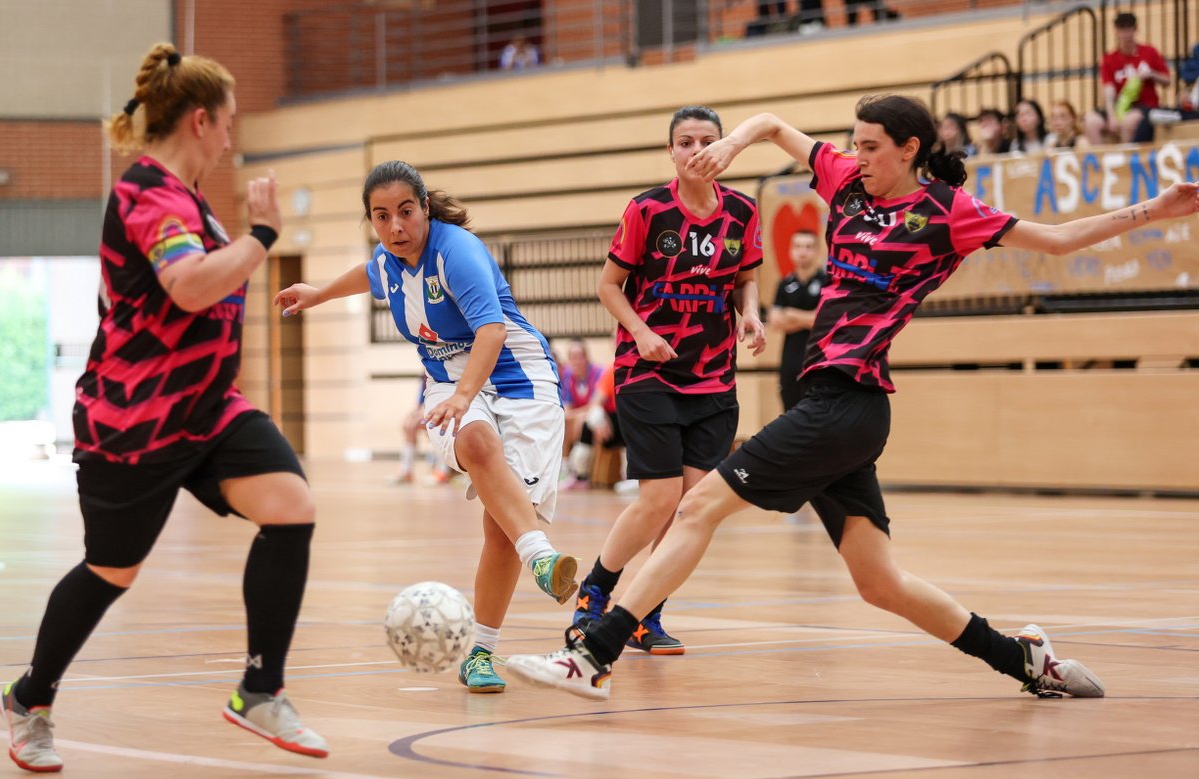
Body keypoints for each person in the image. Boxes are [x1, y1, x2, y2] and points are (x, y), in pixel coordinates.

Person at [506, 94, 1199, 701]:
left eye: (871, 146)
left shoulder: (946, 212)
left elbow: (1056, 239)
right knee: (880, 583)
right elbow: (775, 124)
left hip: (847, 404)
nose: (855, 155)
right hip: (839, 409)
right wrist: (735, 140)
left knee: (695, 506)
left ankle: (591, 654)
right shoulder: (848, 184)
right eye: (854, 143)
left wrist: (1155, 210)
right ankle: (1024, 660)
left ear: (909, 149)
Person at [1, 43, 328, 773]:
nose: (233, 137)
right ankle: (30, 698)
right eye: (230, 123)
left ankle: (259, 689)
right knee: (110, 572)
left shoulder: (191, 203)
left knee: (291, 506)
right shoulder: (147, 192)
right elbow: (188, 287)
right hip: (135, 420)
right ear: (202, 122)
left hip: (208, 409)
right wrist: (262, 237)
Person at [273, 160, 578, 694]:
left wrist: (467, 393)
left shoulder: (455, 252)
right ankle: (544, 560)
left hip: (520, 376)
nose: (395, 226)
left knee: (499, 531)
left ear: (425, 209)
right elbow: (370, 274)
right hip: (449, 384)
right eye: (381, 216)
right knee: (476, 441)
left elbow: (491, 331)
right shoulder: (387, 260)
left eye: (405, 212)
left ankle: (479, 651)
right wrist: (319, 292)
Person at [570, 105, 766, 657]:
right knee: (658, 498)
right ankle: (596, 593)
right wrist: (641, 333)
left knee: (690, 509)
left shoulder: (744, 213)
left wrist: (750, 313)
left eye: (707, 141)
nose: (696, 150)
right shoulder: (647, 211)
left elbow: (744, 280)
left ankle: (644, 614)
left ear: (724, 148)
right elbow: (609, 287)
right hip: (647, 371)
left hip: (713, 380)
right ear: (671, 151)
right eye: (685, 142)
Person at [1083, 12, 1170, 144]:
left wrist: (1151, 74)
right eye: (1122, 29)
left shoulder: (1149, 52)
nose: (1126, 34)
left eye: (1129, 29)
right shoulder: (1109, 59)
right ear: (1116, 31)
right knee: (1090, 121)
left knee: (1128, 121)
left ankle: (1125, 161)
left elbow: (1167, 80)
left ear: (1135, 29)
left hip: (1145, 106)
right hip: (1120, 106)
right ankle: (1099, 163)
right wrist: (1111, 115)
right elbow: (1108, 89)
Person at [770, 229, 829, 411]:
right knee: (790, 416)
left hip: (820, 363)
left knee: (821, 420)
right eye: (798, 246)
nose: (802, 251)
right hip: (790, 363)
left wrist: (790, 313)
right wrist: (808, 317)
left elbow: (823, 320)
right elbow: (775, 321)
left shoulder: (828, 281)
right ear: (791, 250)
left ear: (818, 251)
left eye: (808, 247)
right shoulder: (784, 284)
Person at [563, 362, 623, 488]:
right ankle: (579, 475)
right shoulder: (612, 371)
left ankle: (631, 477)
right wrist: (599, 422)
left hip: (630, 421)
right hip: (612, 424)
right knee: (589, 420)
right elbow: (595, 403)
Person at [559, 337, 604, 489]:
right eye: (572, 357)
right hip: (579, 415)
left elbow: (595, 404)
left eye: (579, 356)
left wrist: (576, 414)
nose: (576, 361)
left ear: (586, 357)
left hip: (599, 414)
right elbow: (567, 405)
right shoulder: (568, 376)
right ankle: (565, 468)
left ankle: (578, 471)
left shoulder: (599, 372)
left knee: (579, 420)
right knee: (562, 420)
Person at [392, 375, 451, 485]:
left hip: (448, 406)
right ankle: (406, 470)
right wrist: (417, 411)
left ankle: (442, 471)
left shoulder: (445, 369)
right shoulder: (426, 373)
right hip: (429, 407)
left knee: (435, 424)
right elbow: (421, 400)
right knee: (408, 425)